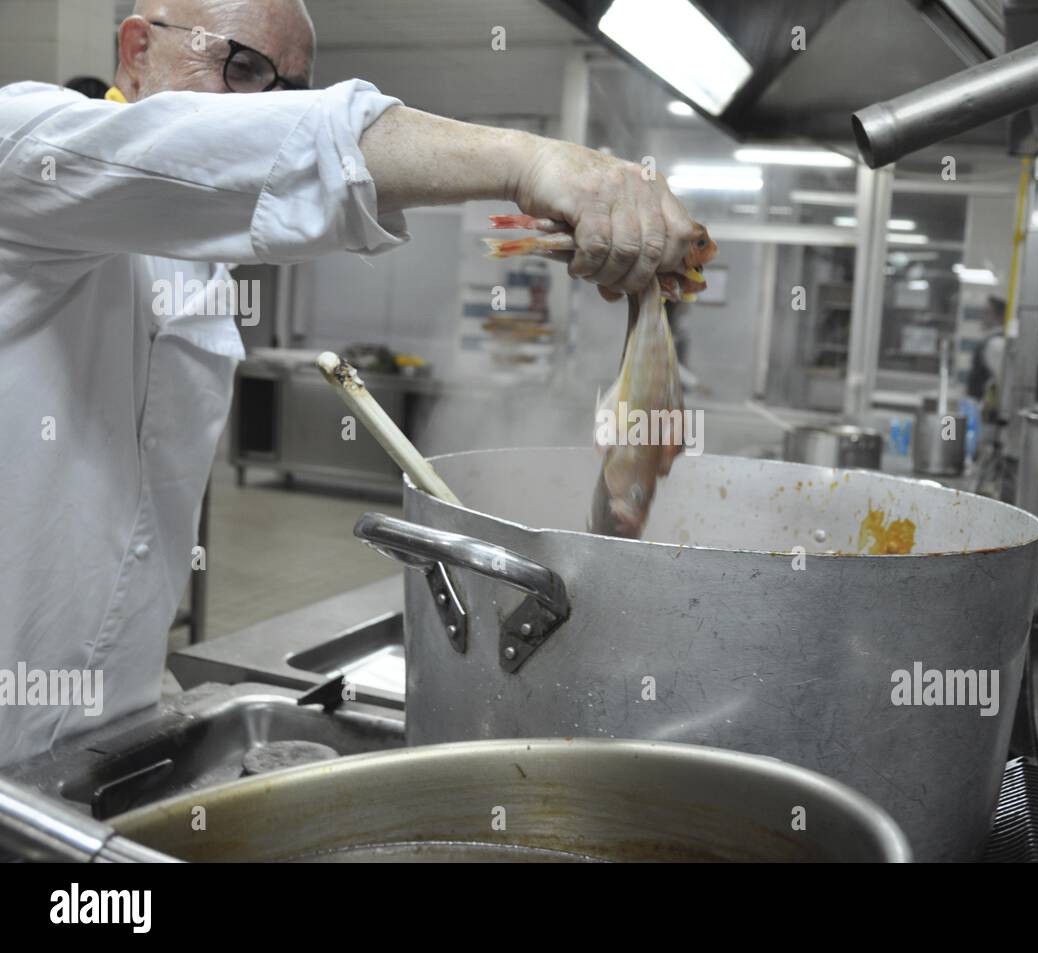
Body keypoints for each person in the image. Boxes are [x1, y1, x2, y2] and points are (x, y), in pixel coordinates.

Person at [0, 0, 697, 766]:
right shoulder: (27, 146)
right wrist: (528, 163)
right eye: (242, 68)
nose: (268, 108)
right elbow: (246, 152)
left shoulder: (195, 250)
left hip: (109, 729)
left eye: (292, 89)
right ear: (137, 48)